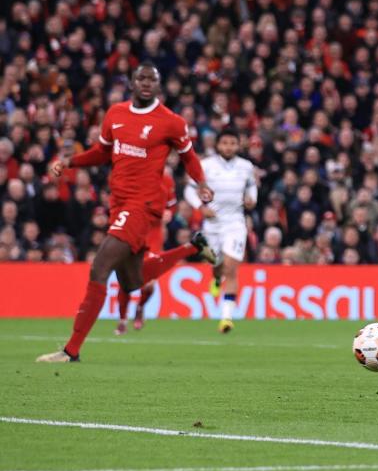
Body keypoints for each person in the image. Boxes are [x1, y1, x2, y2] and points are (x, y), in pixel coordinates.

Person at [38, 63, 214, 362]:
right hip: (118, 203)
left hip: (142, 205)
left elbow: (189, 157)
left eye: (152, 79)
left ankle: (71, 350)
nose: (146, 83)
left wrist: (201, 184)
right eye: (141, 78)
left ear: (158, 85)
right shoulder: (115, 114)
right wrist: (71, 161)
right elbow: (103, 152)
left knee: (100, 267)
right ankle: (192, 247)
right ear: (131, 83)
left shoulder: (171, 122)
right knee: (132, 281)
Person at [115, 170, 216, 335]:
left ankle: (140, 308)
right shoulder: (132, 174)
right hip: (132, 230)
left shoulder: (166, 179)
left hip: (154, 234)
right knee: (126, 278)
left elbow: (171, 207)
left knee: (149, 283)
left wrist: (167, 214)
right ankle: (122, 320)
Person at [185, 127, 258, 334]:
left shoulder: (246, 166)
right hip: (212, 225)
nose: (228, 147)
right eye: (225, 143)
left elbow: (252, 186)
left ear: (238, 145)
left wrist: (252, 199)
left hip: (235, 223)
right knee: (217, 265)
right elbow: (189, 189)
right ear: (218, 145)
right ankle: (216, 278)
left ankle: (226, 318)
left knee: (231, 268)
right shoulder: (205, 166)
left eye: (232, 143)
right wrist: (200, 208)